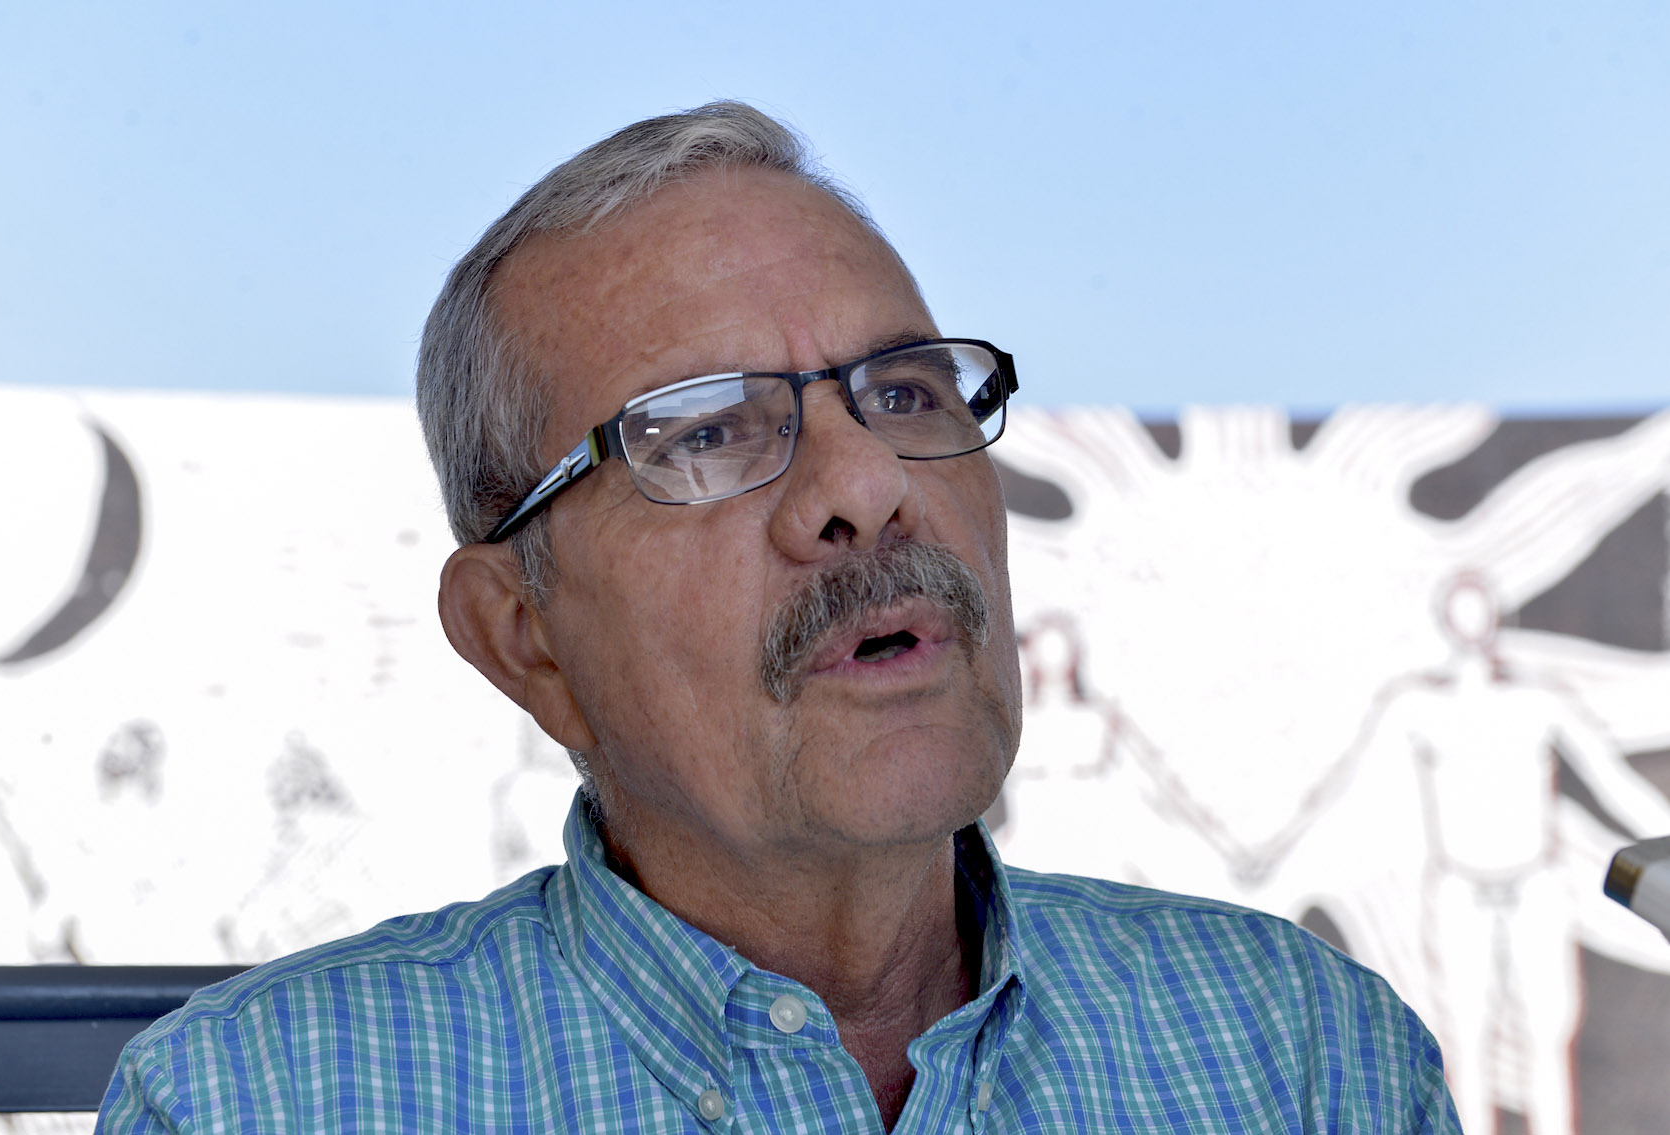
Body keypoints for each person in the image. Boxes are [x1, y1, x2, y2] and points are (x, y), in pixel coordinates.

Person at [97, 101, 1460, 1133]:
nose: (866, 486)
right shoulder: (261, 1104)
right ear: (524, 635)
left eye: (908, 393)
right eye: (704, 432)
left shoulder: (1303, 1059)